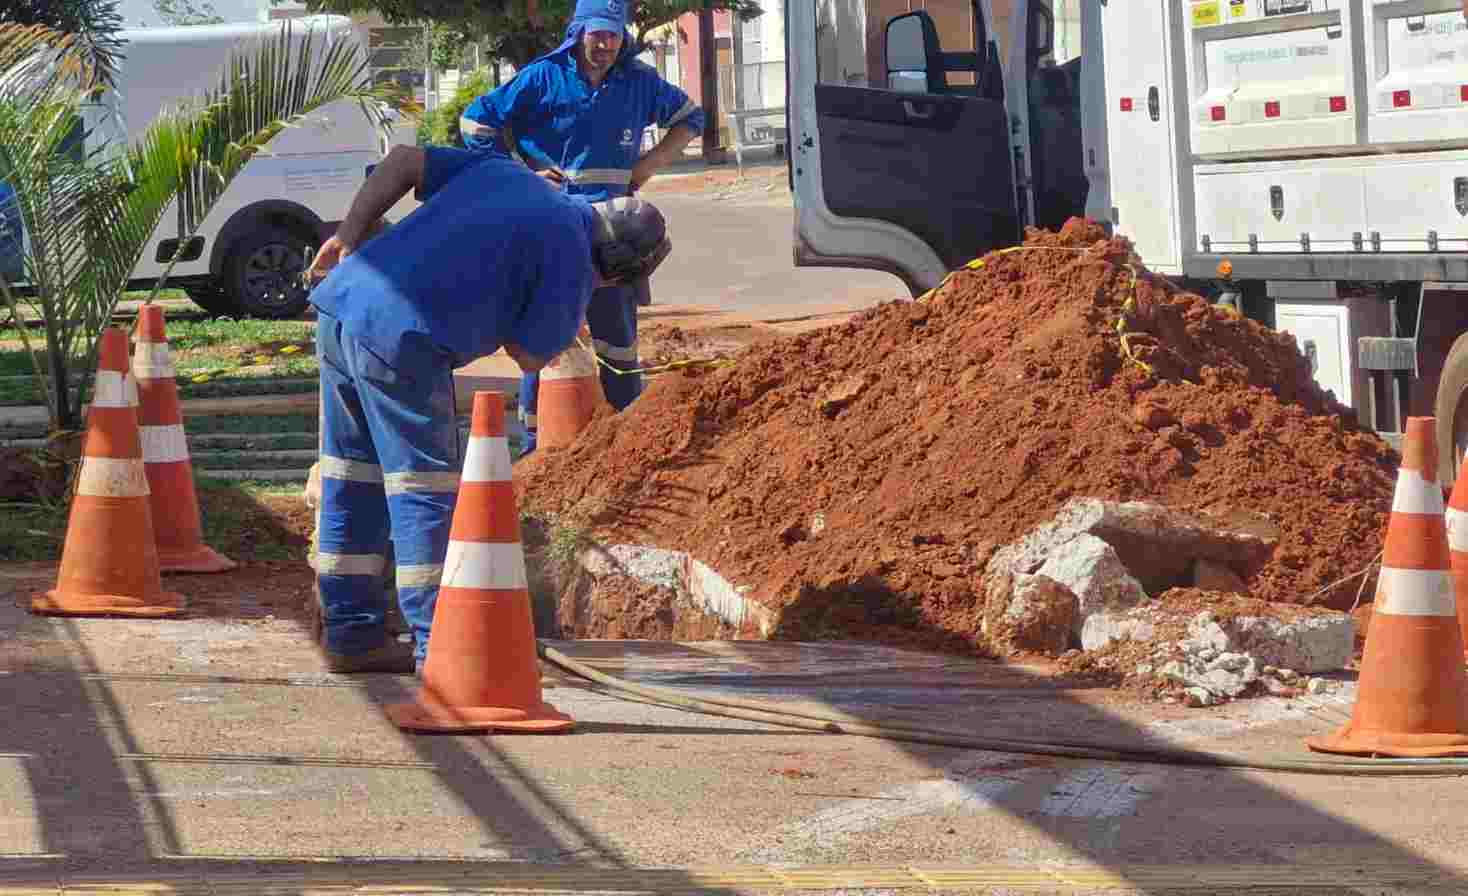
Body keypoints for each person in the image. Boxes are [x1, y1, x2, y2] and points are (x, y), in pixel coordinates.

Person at [303, 142, 671, 674]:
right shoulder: (573, 258)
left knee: (351, 474)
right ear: (614, 265)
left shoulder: (511, 175)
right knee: (422, 488)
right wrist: (561, 309)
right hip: (402, 338)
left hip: (342, 306)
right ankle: (443, 649)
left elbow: (404, 159)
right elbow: (529, 355)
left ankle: (352, 635)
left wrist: (346, 236)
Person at [458, 0, 704, 455]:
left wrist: (648, 165)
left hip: (616, 238)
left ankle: (630, 441)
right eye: (597, 34)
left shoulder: (637, 81)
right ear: (578, 32)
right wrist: (516, 174)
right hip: (552, 231)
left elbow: (692, 118)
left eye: (614, 35)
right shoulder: (543, 77)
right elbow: (475, 121)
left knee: (620, 344)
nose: (606, 44)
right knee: (543, 338)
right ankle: (537, 448)